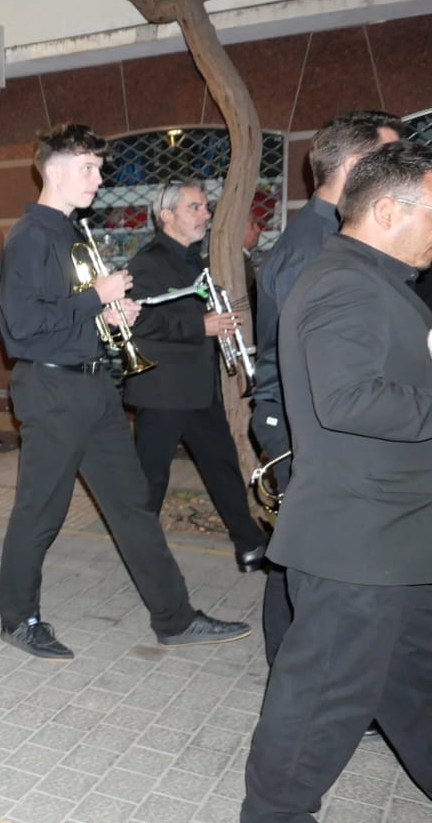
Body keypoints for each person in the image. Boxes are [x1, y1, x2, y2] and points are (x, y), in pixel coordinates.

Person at [0, 123, 249, 660]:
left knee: (133, 508)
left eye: (99, 167)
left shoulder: (69, 232)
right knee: (40, 513)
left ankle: (174, 619)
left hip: (94, 386)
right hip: (51, 389)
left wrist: (112, 313)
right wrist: (96, 297)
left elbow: (65, 316)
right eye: (88, 168)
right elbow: (20, 330)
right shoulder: (29, 236)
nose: (99, 177)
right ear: (55, 171)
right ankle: (19, 619)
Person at [241, 140, 432, 820]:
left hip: (394, 539)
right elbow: (347, 399)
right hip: (357, 546)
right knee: (317, 708)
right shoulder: (344, 282)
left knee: (414, 689)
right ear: (386, 209)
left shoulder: (376, 281)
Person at [249, 111, 404, 666]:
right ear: (359, 166)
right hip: (301, 421)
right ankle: (305, 678)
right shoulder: (314, 250)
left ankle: (299, 672)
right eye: (392, 160)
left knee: (299, 552)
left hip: (304, 416)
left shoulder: (333, 239)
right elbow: (322, 371)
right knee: (314, 563)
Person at [123, 181, 270, 572]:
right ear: (167, 216)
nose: (205, 214)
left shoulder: (192, 260)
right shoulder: (148, 261)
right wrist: (199, 324)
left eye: (205, 206)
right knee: (151, 478)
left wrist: (217, 321)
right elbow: (136, 321)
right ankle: (142, 552)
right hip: (164, 390)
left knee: (221, 466)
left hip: (198, 387)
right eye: (195, 207)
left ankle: (250, 545)